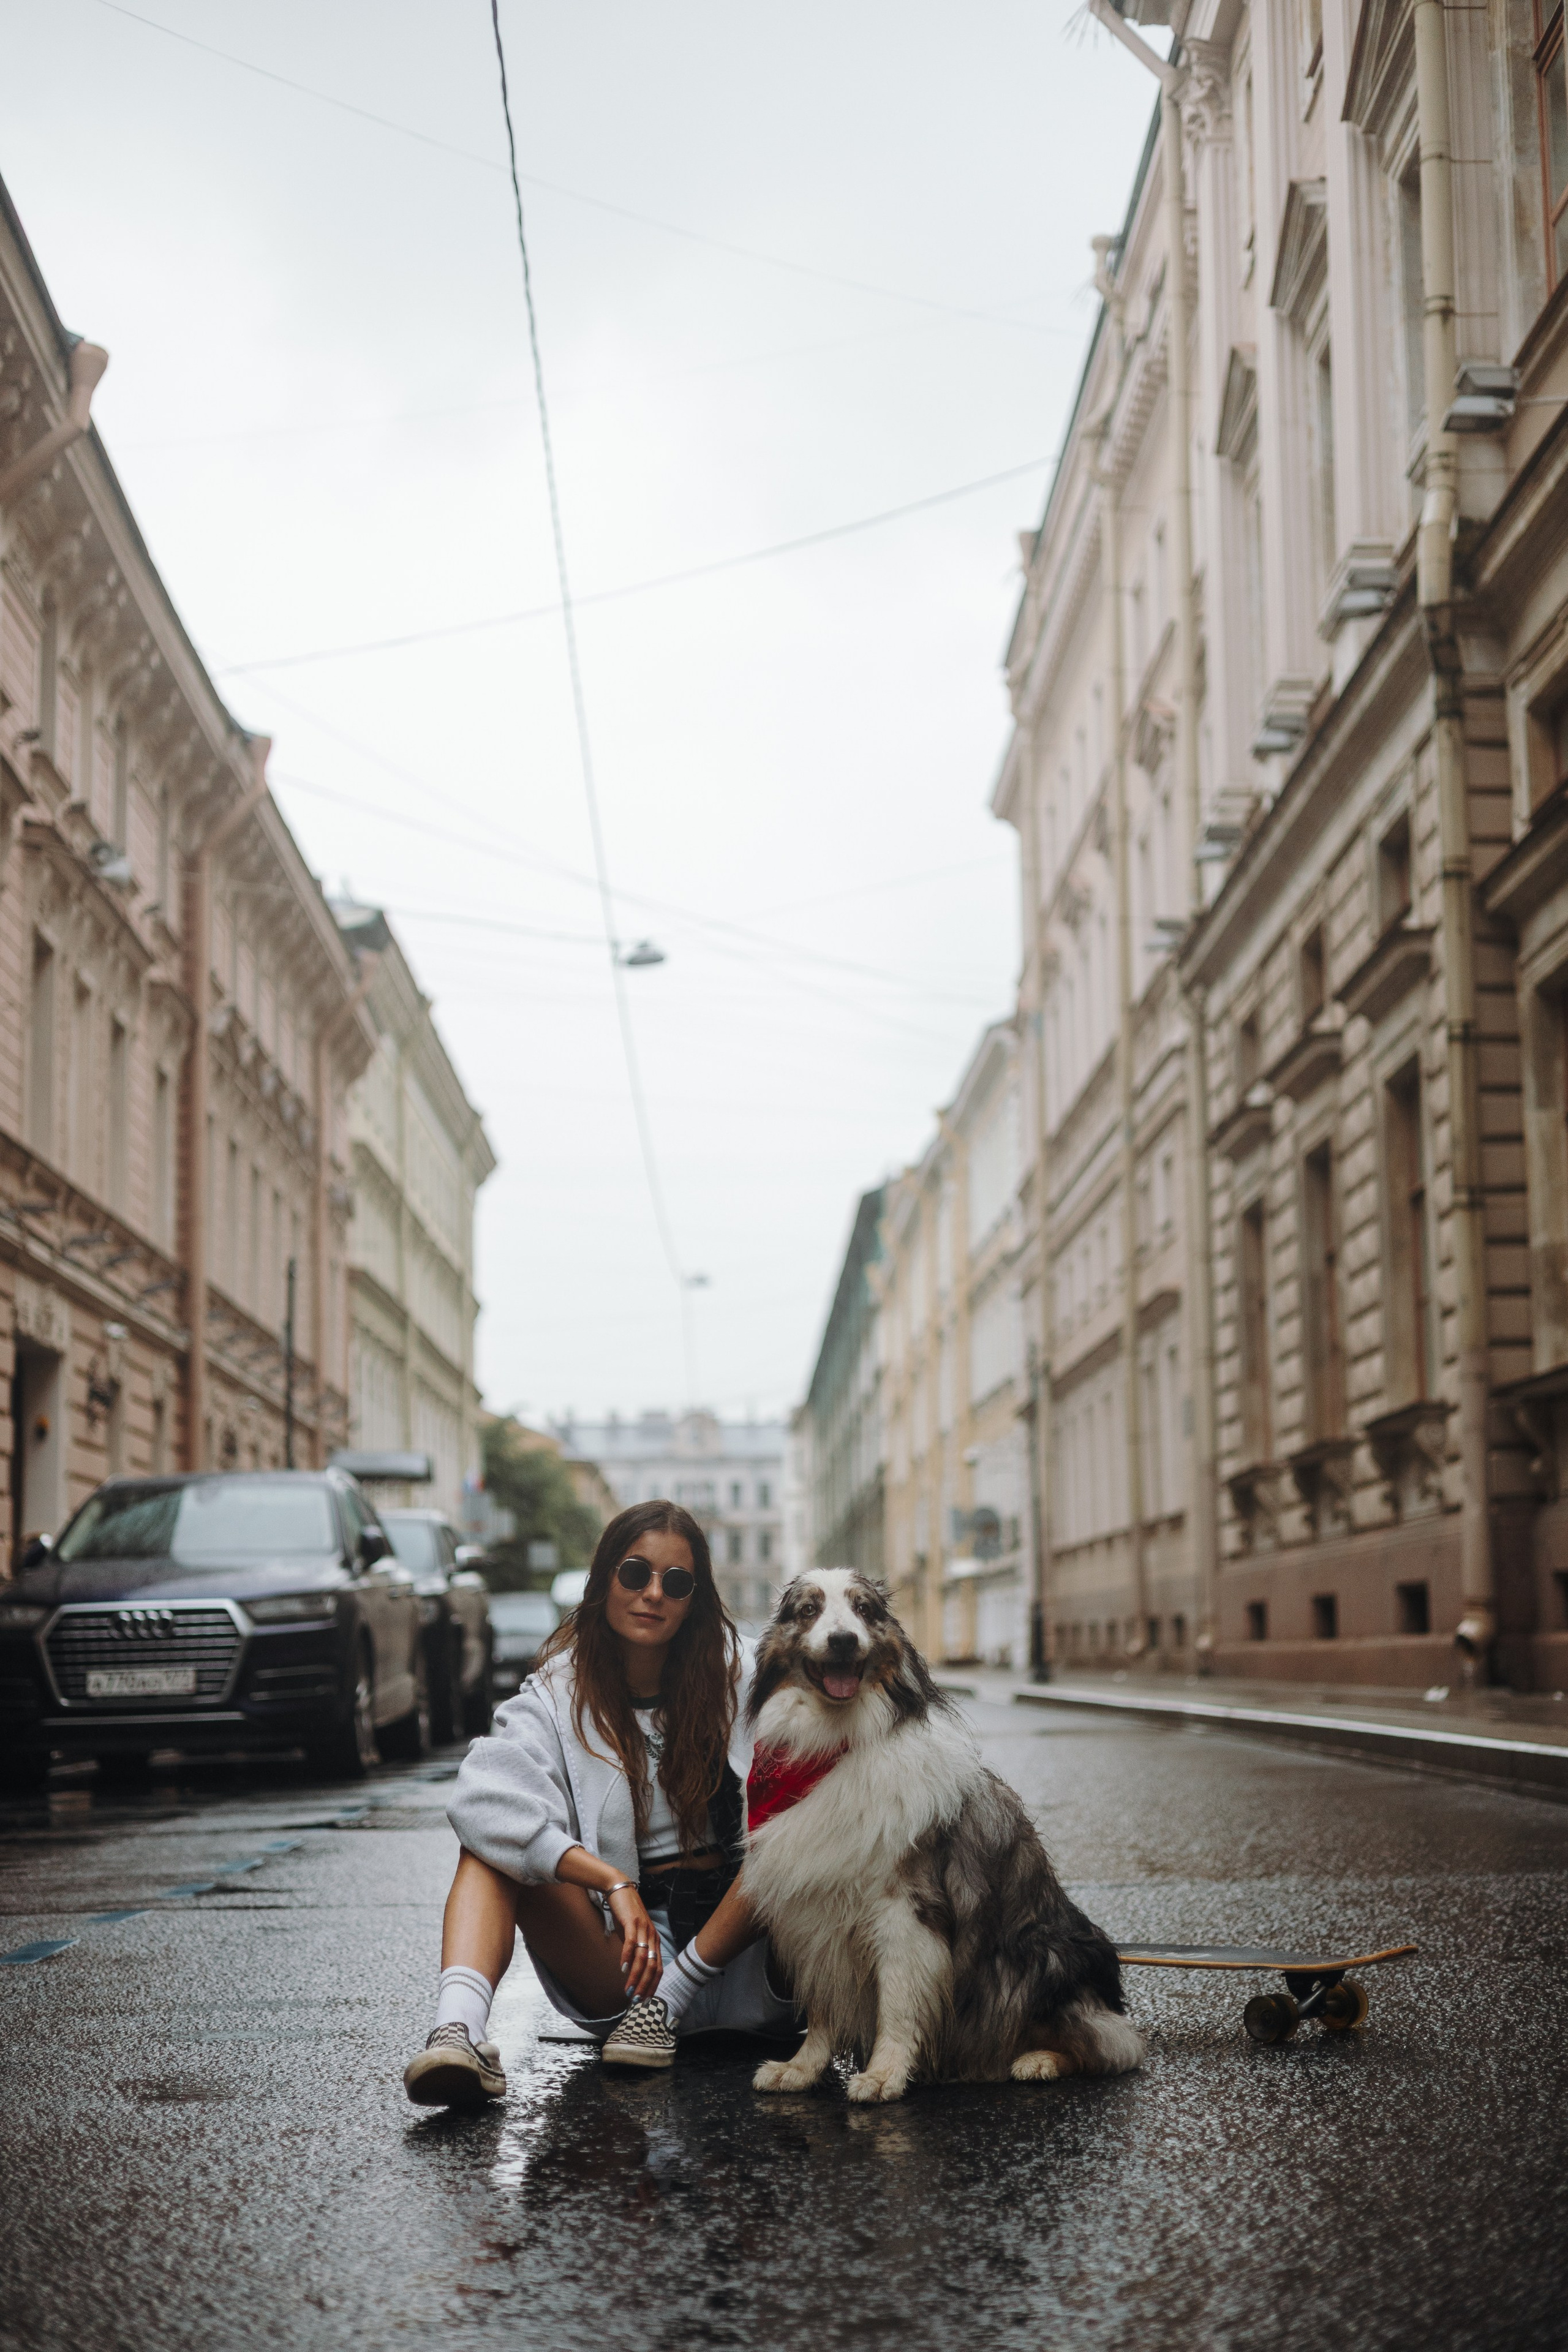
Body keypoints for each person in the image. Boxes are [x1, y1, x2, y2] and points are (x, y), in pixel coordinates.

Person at [403, 1500, 796, 2108]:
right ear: (603, 1579)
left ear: (695, 1599)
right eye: (635, 1574)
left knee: (794, 1826)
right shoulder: (558, 1690)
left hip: (753, 1951)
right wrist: (611, 1881)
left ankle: (675, 2001)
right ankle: (458, 2031)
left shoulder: (746, 1672)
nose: (653, 1594)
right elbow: (483, 1801)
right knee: (490, 1847)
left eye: (676, 1582)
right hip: (630, 1964)